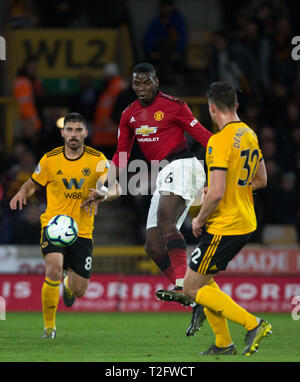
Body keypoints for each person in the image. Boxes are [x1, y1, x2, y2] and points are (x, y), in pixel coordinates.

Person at [82, 62, 212, 335]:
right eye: (136, 84)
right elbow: (120, 155)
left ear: (156, 81)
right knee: (152, 245)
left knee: (166, 221)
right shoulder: (129, 114)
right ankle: (198, 299)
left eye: (146, 82)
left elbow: (203, 136)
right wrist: (106, 185)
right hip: (162, 174)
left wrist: (228, 161)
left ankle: (182, 287)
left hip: (184, 165)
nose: (141, 88)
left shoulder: (174, 105)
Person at [10, 112, 121, 339]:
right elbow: (32, 183)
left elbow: (116, 188)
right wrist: (22, 192)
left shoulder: (97, 159)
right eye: (69, 130)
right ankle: (49, 327)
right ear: (63, 133)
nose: (73, 134)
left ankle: (69, 286)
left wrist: (103, 194)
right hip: (54, 226)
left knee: (80, 290)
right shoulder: (50, 159)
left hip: (82, 231)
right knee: (53, 267)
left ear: (85, 133)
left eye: (78, 130)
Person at [182, 81, 272, 356]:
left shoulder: (217, 142)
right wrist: (225, 189)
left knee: (190, 287)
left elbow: (217, 191)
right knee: (203, 281)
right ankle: (224, 343)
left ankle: (253, 323)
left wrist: (199, 220)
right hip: (245, 220)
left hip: (226, 224)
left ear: (211, 108)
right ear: (236, 105)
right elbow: (261, 180)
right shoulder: (249, 134)